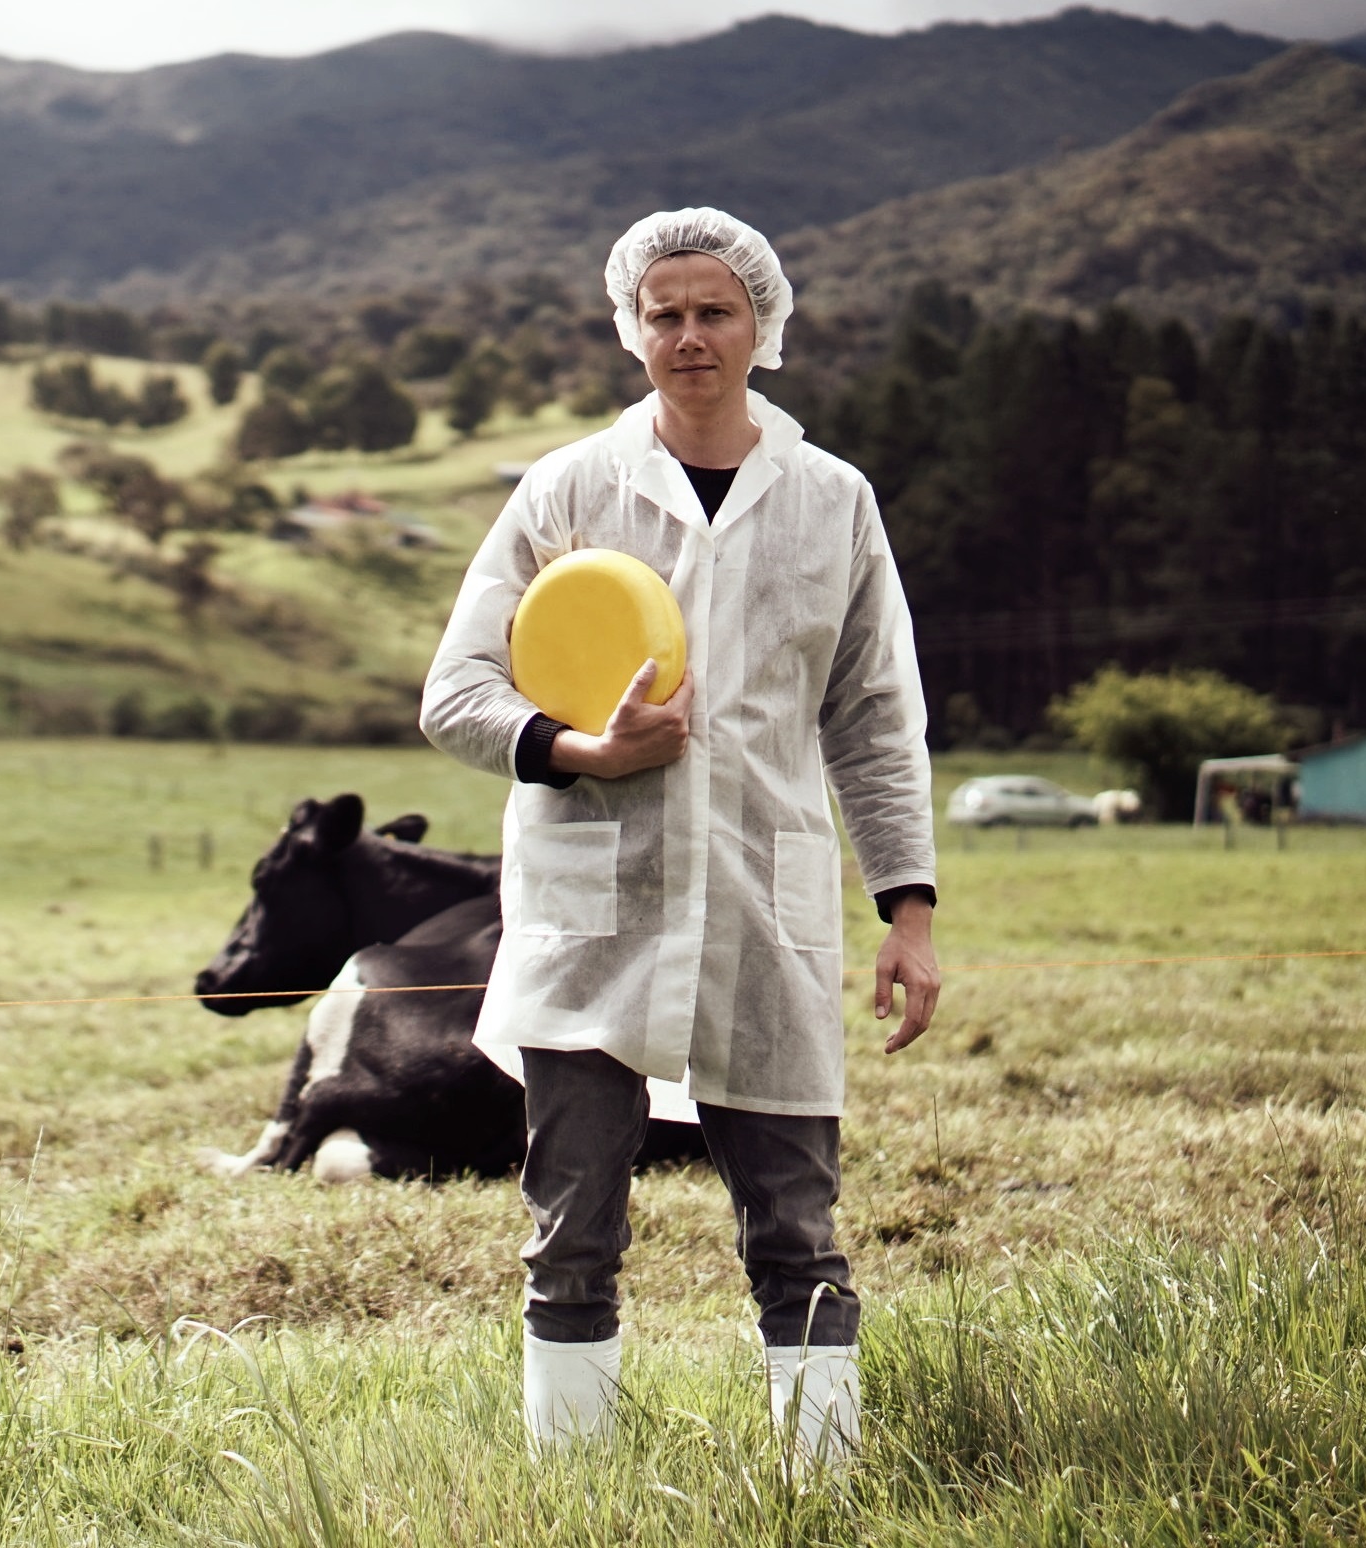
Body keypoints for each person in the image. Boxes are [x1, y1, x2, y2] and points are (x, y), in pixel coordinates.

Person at [419, 208, 939, 1469]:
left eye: (715, 311)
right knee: (572, 1227)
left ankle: (822, 1483)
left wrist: (907, 910)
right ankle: (574, 1489)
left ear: (764, 327)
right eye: (665, 314)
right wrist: (581, 751)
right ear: (629, 329)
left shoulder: (832, 501)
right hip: (593, 909)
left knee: (796, 1227)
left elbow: (875, 718)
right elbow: (458, 691)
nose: (690, 335)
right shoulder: (570, 489)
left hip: (766, 904)